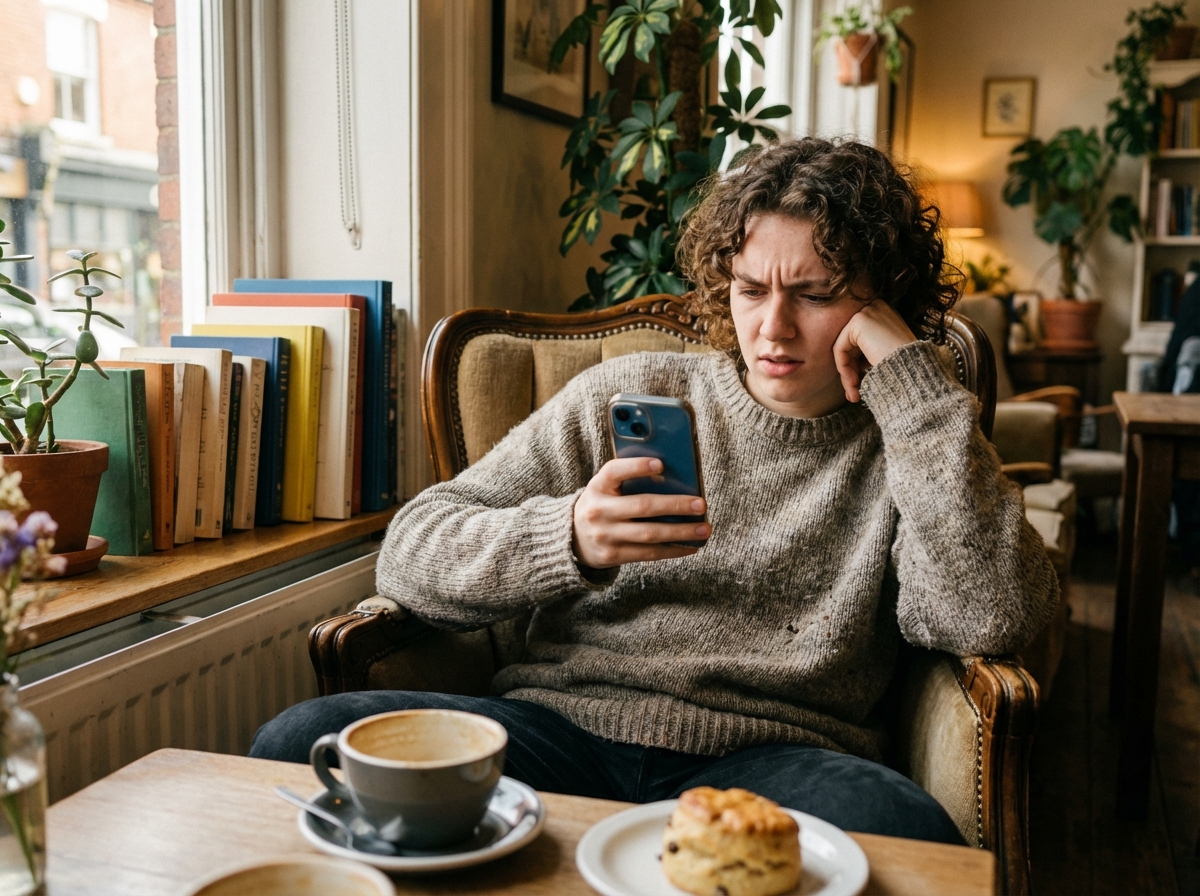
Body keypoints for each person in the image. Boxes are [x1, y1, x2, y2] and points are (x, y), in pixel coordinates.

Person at [250, 138, 1058, 844]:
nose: (772, 328)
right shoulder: (628, 392)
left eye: (813, 294)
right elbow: (411, 555)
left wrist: (914, 389)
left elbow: (988, 614)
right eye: (750, 289)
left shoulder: (912, 437)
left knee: (905, 833)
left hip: (778, 760)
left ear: (882, 299)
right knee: (303, 738)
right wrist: (567, 538)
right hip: (559, 733)